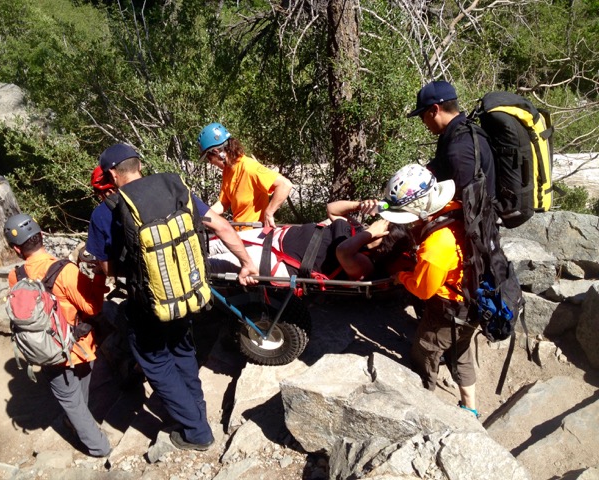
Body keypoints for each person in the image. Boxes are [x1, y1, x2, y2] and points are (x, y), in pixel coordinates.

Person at [87, 143, 259, 456]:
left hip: (148, 303)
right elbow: (220, 225)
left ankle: (196, 431)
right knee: (182, 349)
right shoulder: (174, 188)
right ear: (139, 164)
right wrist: (247, 263)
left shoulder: (105, 211)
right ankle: (195, 408)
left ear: (112, 174)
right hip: (187, 292)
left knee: (156, 362)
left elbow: (107, 268)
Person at [4, 213, 112, 457]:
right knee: (76, 394)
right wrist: (100, 276)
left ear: (16, 249)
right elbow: (92, 307)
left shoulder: (16, 277)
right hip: (78, 345)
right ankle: (99, 447)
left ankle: (78, 423)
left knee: (70, 397)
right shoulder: (65, 271)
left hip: (46, 349)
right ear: (41, 236)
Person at [379, 164, 479, 418]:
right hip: (474, 299)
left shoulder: (435, 246)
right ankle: (470, 407)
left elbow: (423, 291)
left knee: (424, 351)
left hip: (448, 310)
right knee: (462, 351)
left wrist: (401, 277)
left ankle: (424, 407)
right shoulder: (456, 209)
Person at [209, 199, 412, 281]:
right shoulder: (357, 229)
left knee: (209, 264)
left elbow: (343, 252)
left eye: (385, 223)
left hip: (279, 260)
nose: (378, 222)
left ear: (385, 238)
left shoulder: (366, 264)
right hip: (275, 236)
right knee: (216, 241)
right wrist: (361, 205)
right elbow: (332, 209)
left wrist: (369, 233)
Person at [408, 80, 496, 199]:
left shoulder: (459, 149)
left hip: (479, 216)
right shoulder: (462, 131)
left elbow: (463, 204)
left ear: (434, 110)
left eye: (422, 116)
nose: (423, 122)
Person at [197, 122, 293, 229]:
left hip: (255, 234)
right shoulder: (227, 171)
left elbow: (285, 184)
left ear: (217, 152)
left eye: (209, 158)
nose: (210, 162)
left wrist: (269, 212)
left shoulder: (249, 167)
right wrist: (201, 216)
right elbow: (224, 203)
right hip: (239, 233)